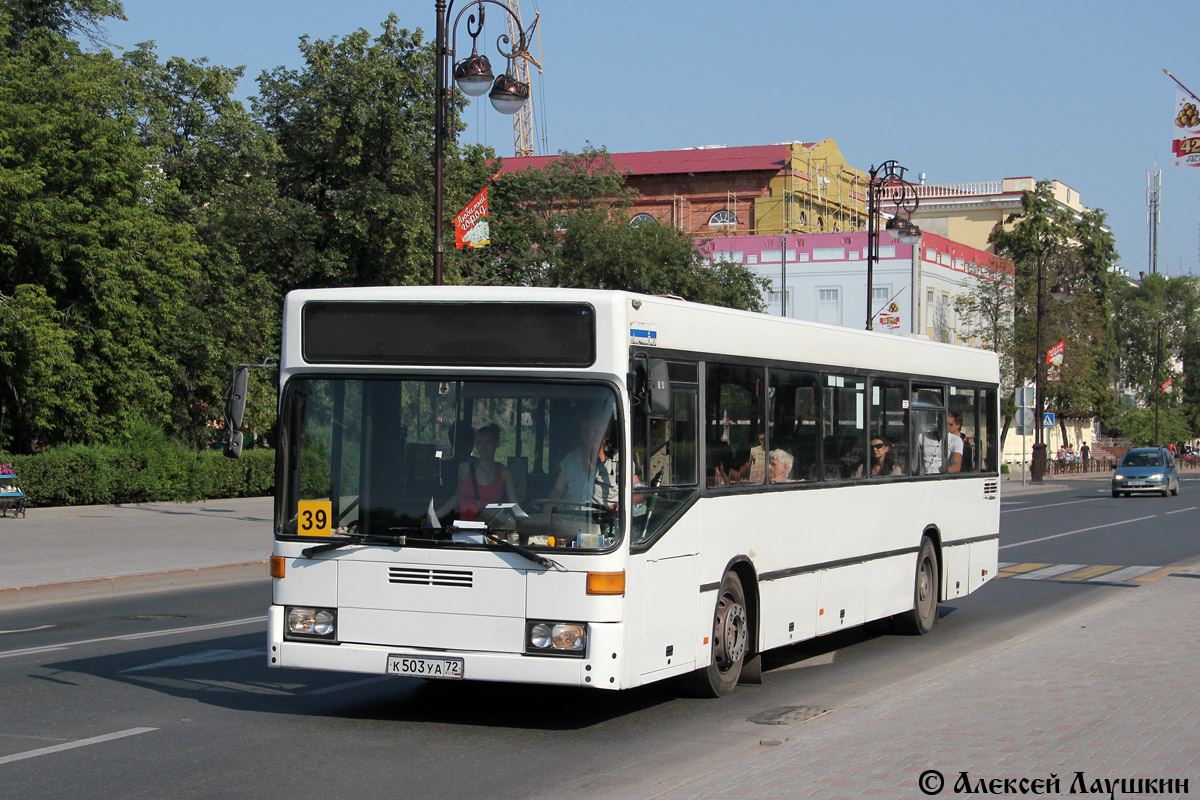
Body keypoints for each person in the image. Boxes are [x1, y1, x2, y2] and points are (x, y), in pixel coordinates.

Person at [548, 407, 627, 510]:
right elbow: (557, 490)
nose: (591, 435)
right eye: (586, 432)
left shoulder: (620, 461)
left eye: (596, 431)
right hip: (571, 521)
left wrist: (621, 505)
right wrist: (552, 502)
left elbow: (637, 492)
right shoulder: (570, 459)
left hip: (607, 523)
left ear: (607, 434)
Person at [434, 424, 519, 521]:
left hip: (491, 531)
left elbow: (514, 506)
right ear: (475, 445)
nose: (483, 446)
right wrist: (434, 516)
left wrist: (528, 522)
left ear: (497, 443)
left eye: (488, 442)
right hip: (463, 529)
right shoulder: (464, 468)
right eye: (479, 442)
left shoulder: (505, 473)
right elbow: (458, 497)